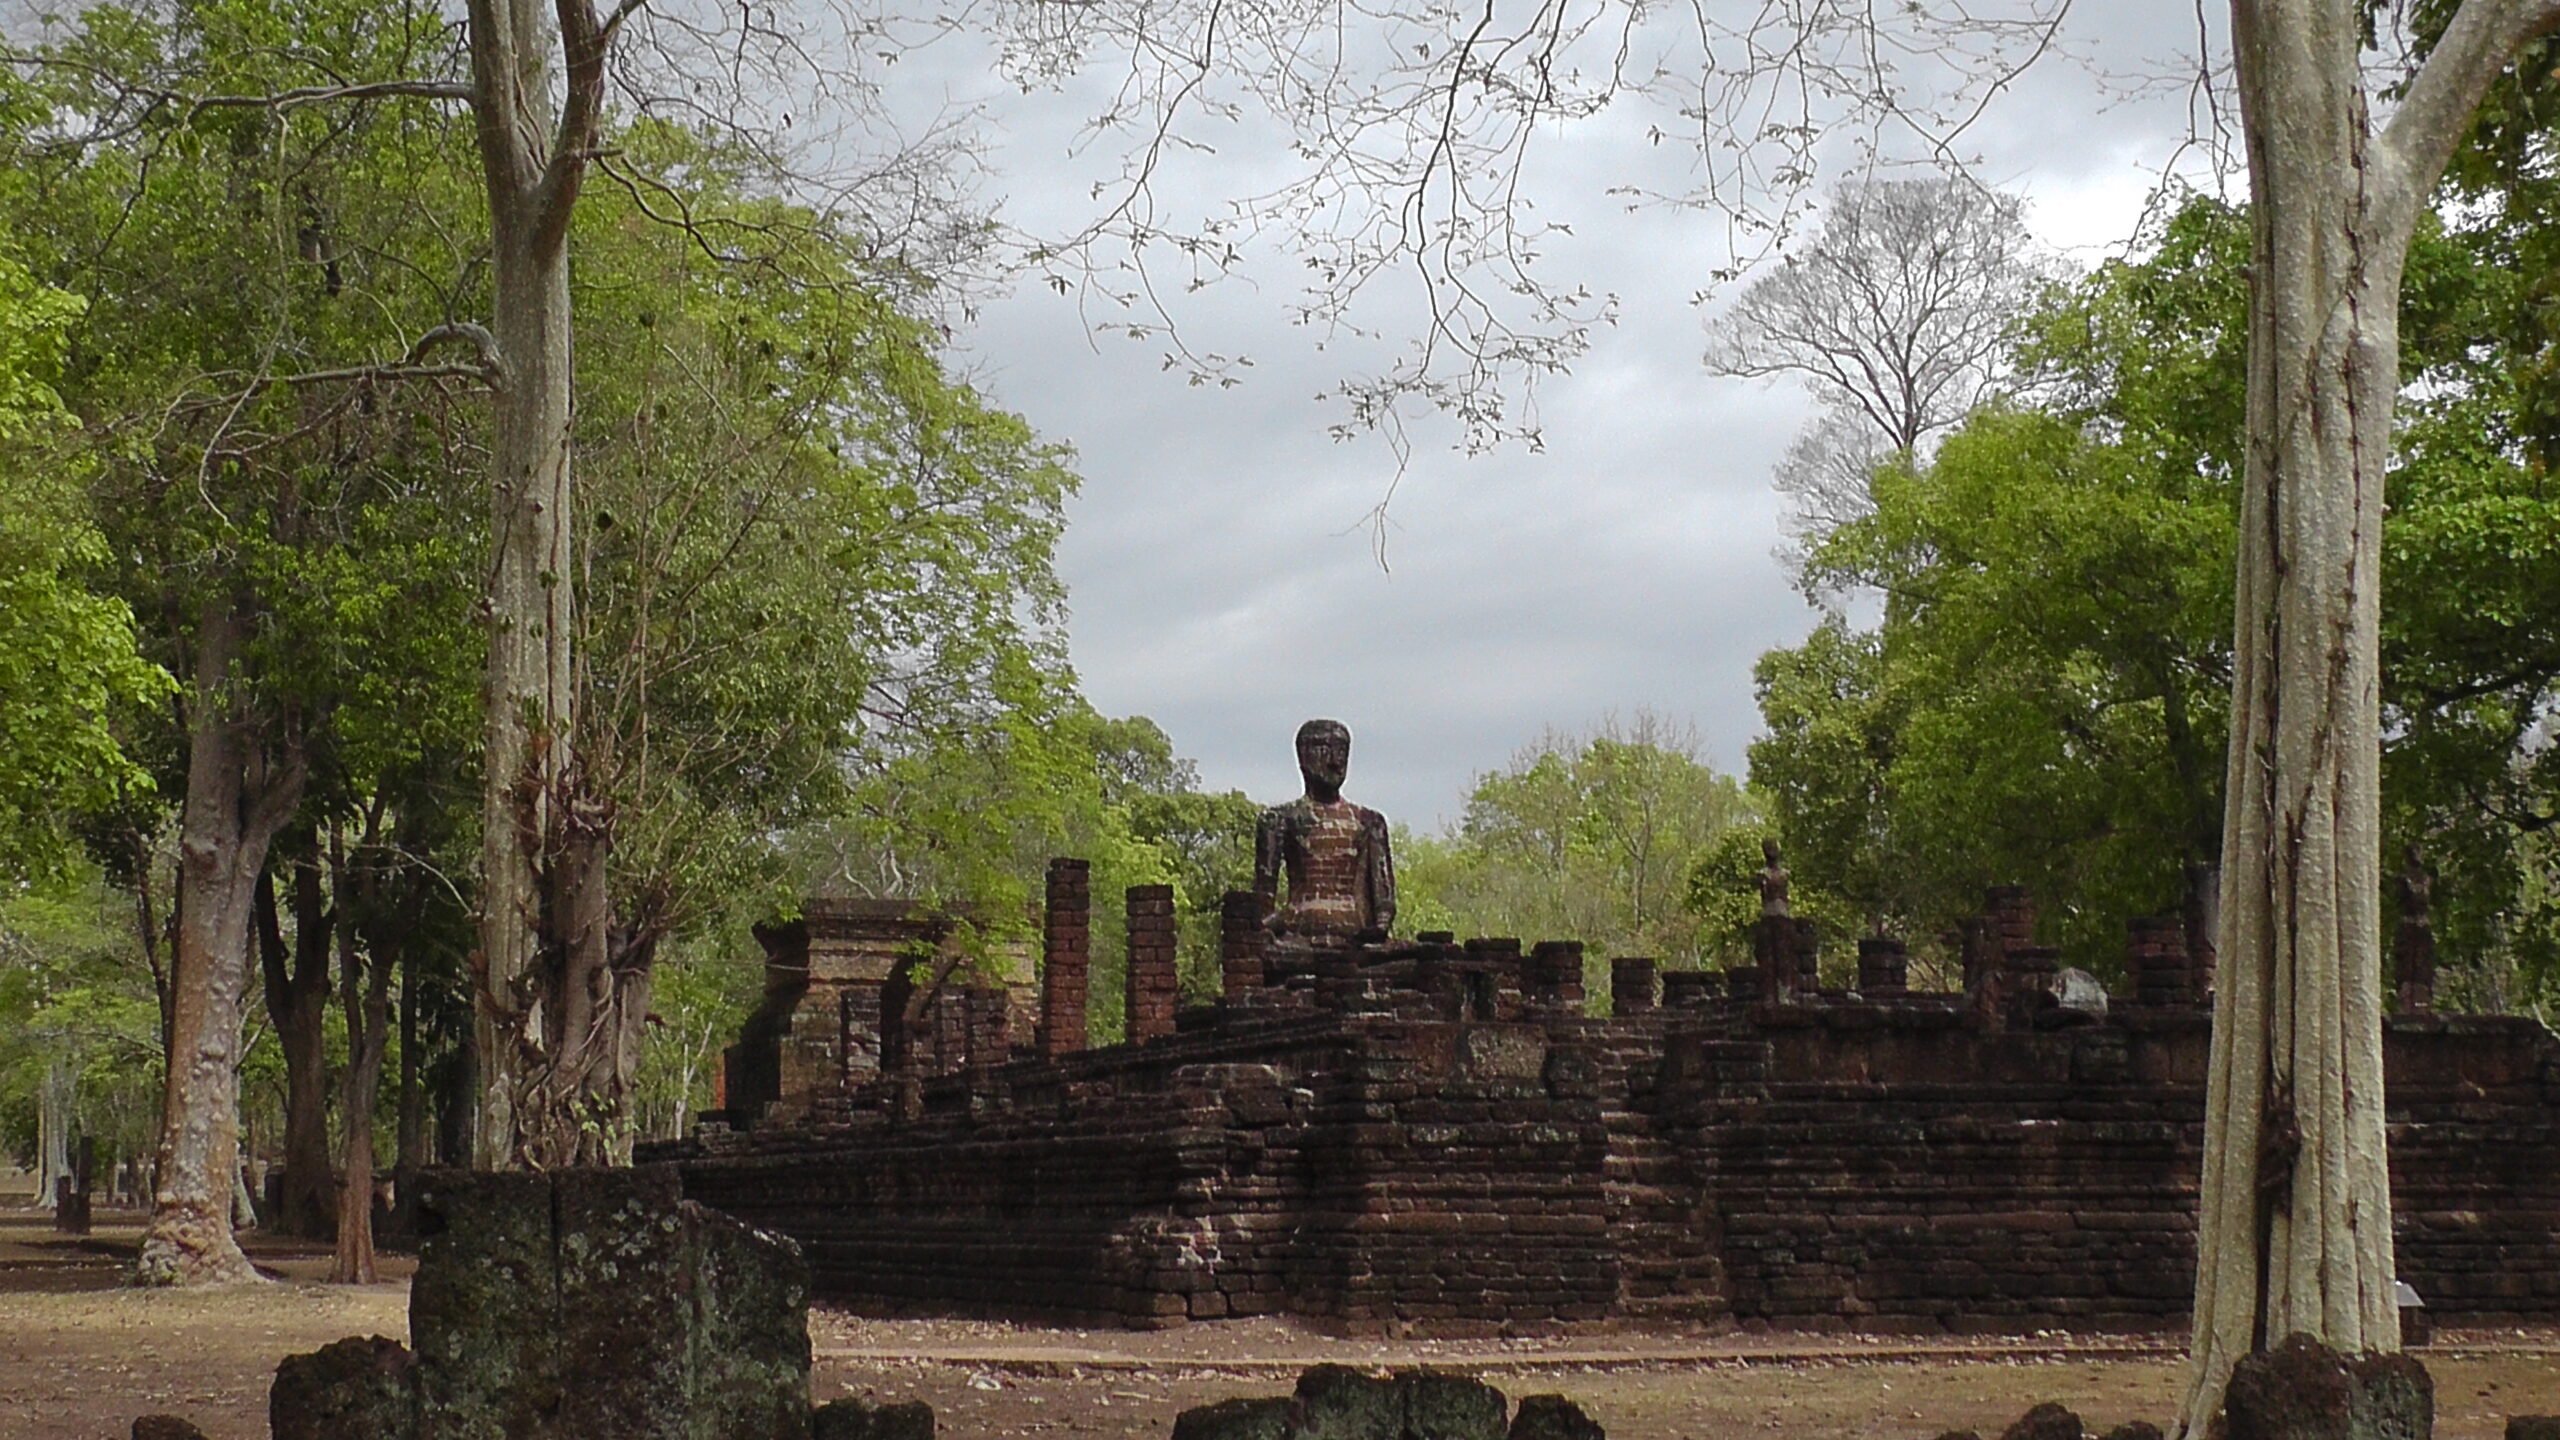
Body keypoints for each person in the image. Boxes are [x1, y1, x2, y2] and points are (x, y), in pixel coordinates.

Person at [1252, 719, 1396, 943]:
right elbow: (1263, 901)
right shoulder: (1280, 819)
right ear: (1303, 756)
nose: (1335, 761)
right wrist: (1268, 928)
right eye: (1323, 750)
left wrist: (1380, 926)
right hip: (1298, 932)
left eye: (1341, 751)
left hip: (1355, 937)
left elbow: (1384, 901)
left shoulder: (1369, 822)